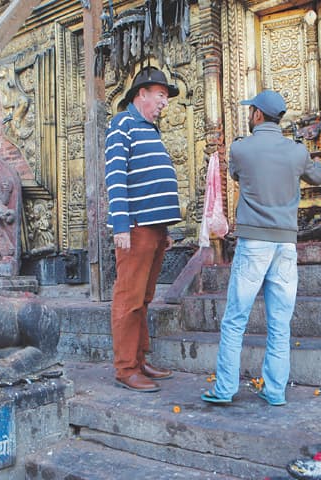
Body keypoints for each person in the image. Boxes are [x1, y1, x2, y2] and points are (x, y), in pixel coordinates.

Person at [202, 90, 321, 406]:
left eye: (251, 110)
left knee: (235, 319)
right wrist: (313, 158)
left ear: (257, 115)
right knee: (280, 324)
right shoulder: (296, 153)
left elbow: (235, 174)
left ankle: (225, 388)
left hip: (253, 243)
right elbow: (318, 176)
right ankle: (274, 390)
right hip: (285, 245)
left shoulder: (241, 149)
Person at [104, 66, 182, 392]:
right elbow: (116, 175)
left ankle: (139, 360)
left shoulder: (151, 130)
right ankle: (125, 369)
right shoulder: (123, 124)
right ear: (142, 94)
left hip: (154, 228)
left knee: (144, 298)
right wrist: (120, 224)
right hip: (135, 228)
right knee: (129, 299)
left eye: (166, 97)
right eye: (161, 96)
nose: (165, 102)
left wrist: (164, 228)